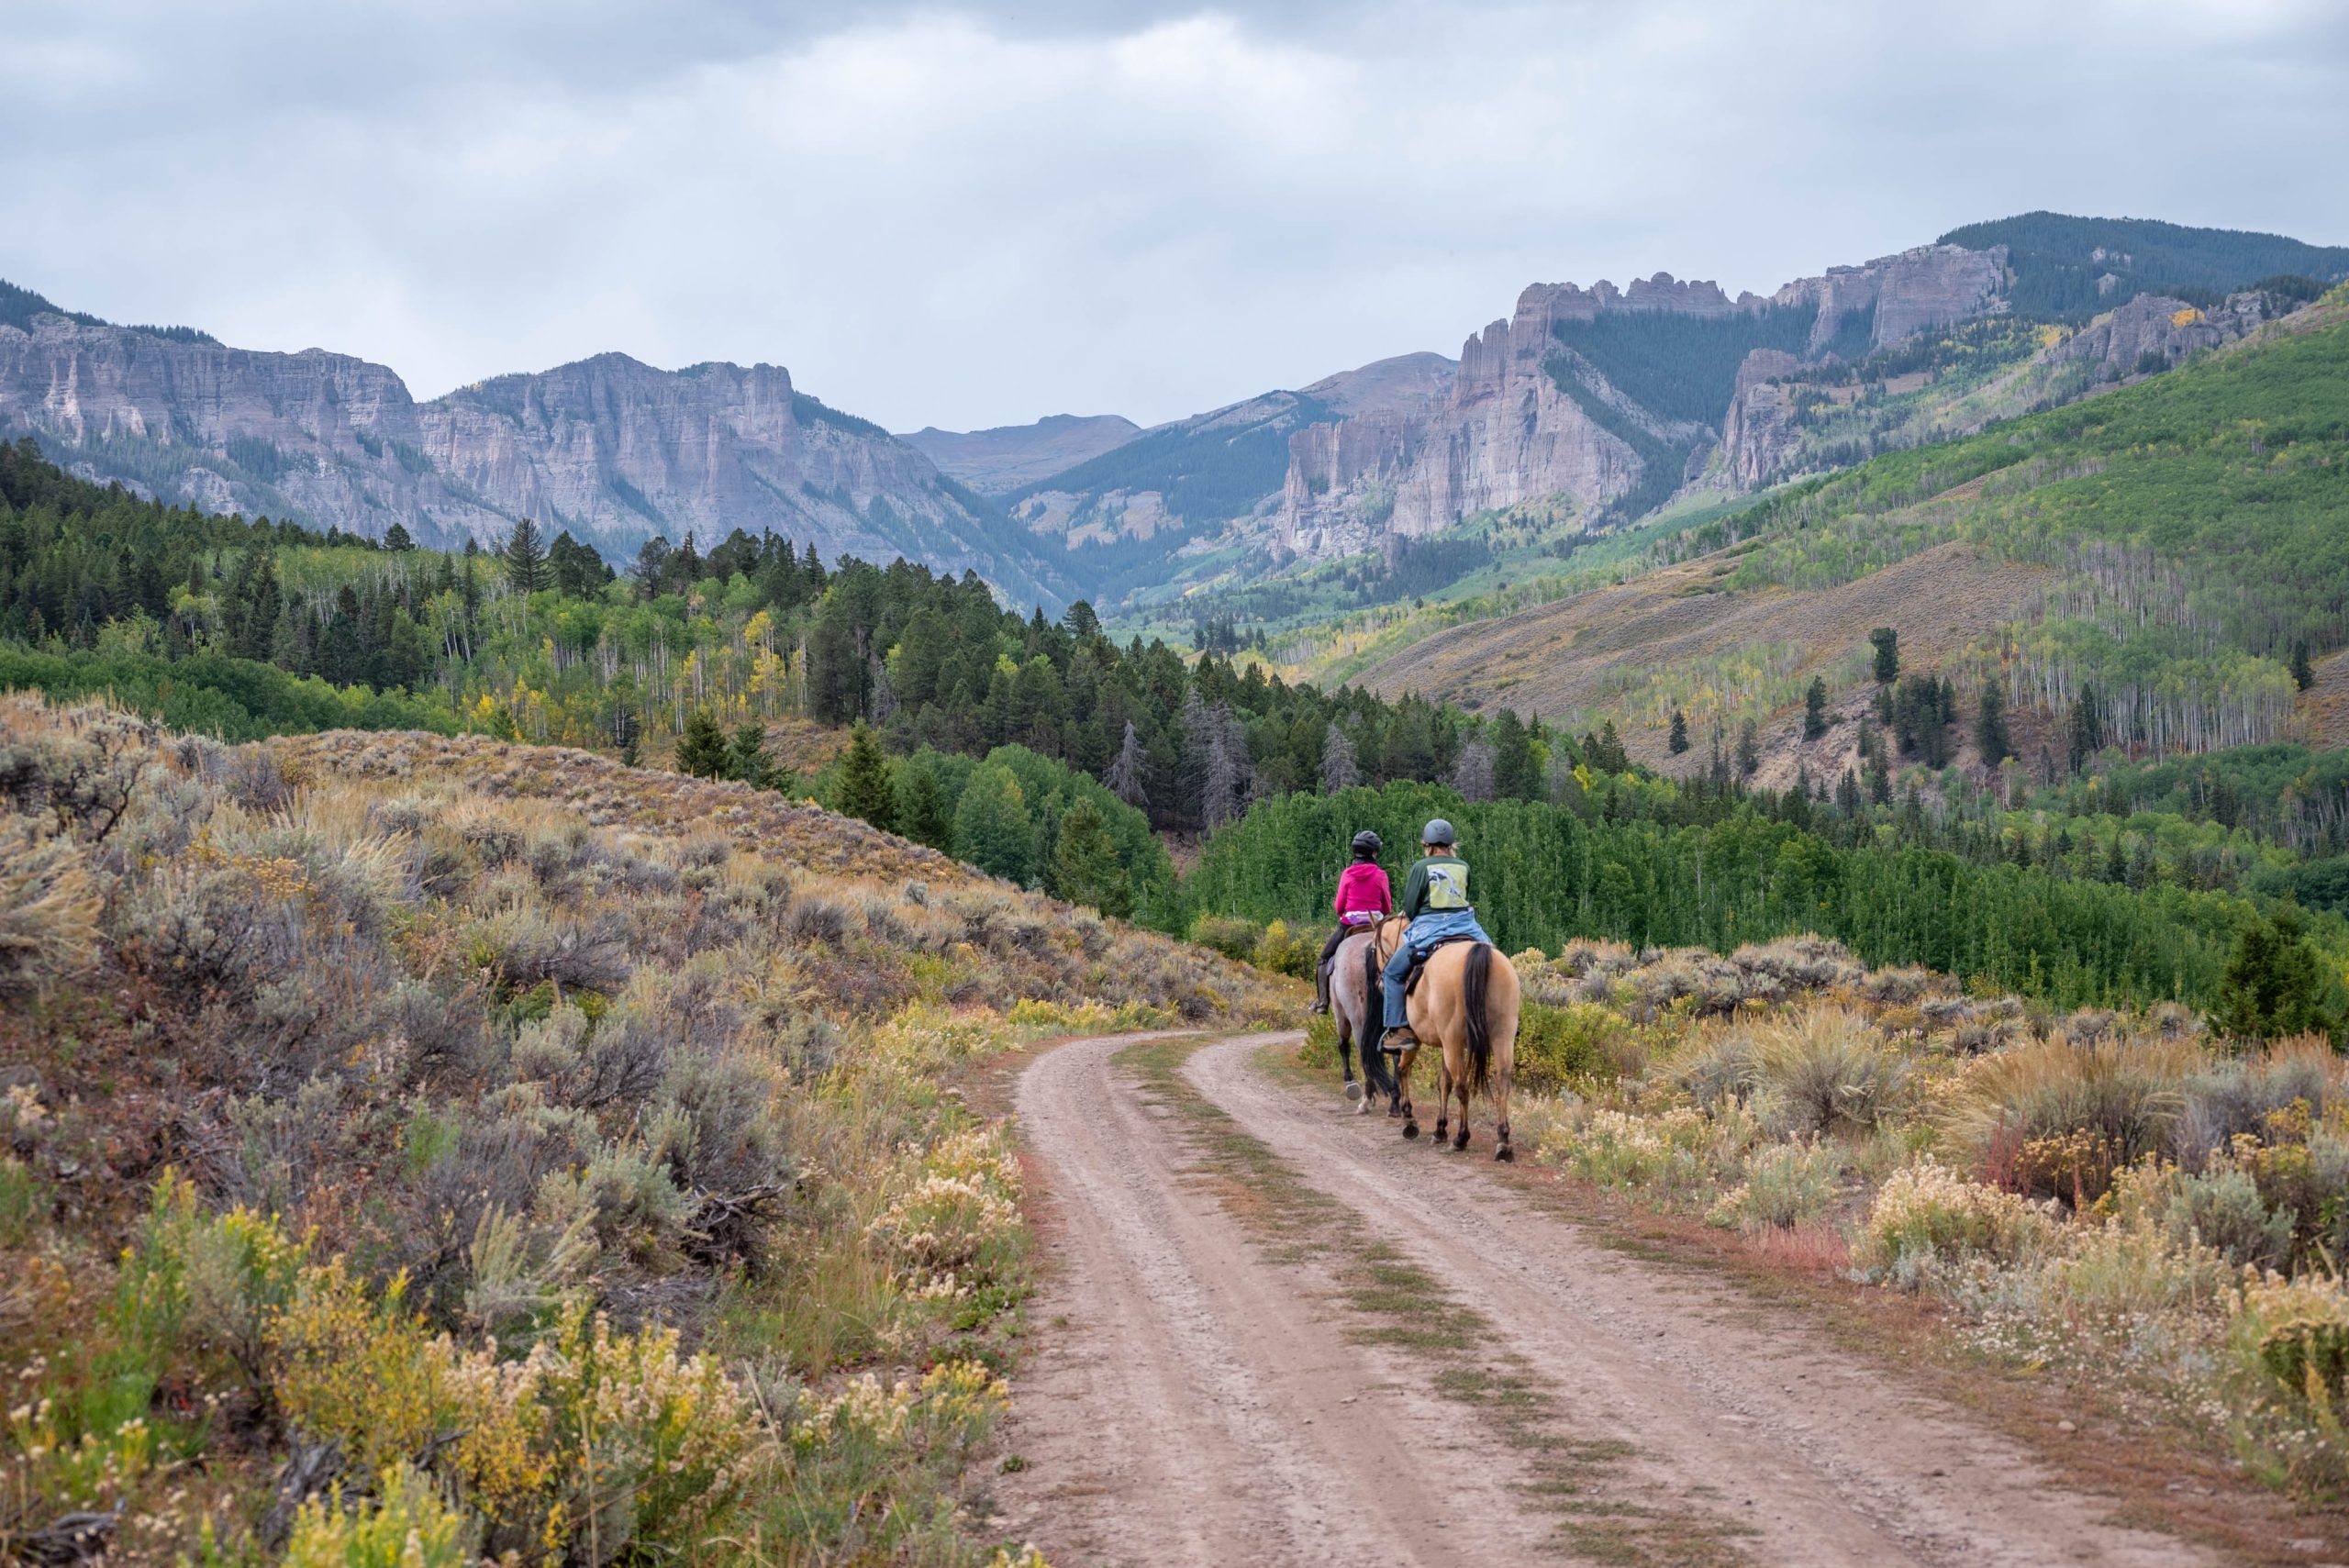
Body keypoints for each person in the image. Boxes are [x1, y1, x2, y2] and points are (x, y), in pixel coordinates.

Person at [1381, 817, 1493, 1051]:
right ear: (1451, 845)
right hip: (1467, 928)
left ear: (1427, 845)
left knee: (1391, 973)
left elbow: (1410, 908)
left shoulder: (1421, 867)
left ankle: (1400, 1030)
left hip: (1430, 931)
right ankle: (1506, 1019)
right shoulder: (1463, 866)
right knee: (1495, 961)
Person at [1312, 829, 1391, 1014]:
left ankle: (1323, 1002)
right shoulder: (1380, 875)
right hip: (1375, 925)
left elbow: (1339, 905)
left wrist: (1345, 914)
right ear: (1373, 853)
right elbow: (1387, 906)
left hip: (1349, 924)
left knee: (1324, 958)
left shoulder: (1347, 874)